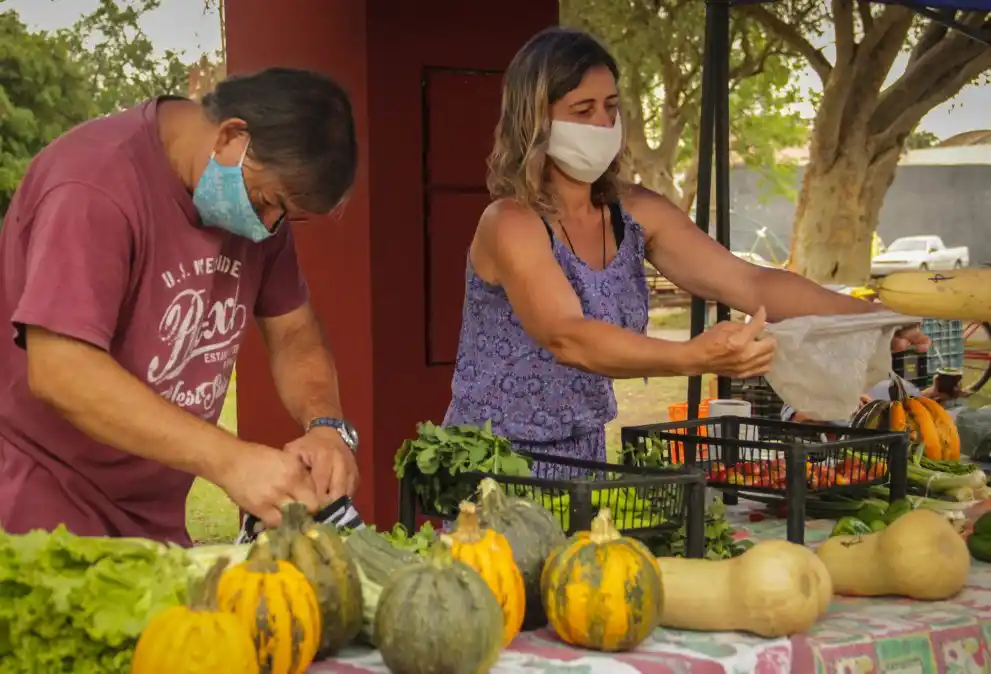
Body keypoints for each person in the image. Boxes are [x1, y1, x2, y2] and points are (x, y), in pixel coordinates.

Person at [442, 27, 929, 467]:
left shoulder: (635, 212)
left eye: (611, 107)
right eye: (582, 111)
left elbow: (749, 281)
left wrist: (869, 318)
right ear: (536, 122)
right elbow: (567, 336)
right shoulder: (511, 222)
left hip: (585, 455)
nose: (602, 124)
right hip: (492, 459)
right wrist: (695, 357)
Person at [0, 68, 362, 546]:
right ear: (233, 134)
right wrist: (231, 460)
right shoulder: (92, 185)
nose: (269, 225)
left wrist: (326, 425)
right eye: (267, 200)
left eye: (285, 215)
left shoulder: (257, 216)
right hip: (38, 499)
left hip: (152, 512)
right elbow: (61, 369)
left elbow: (294, 332)